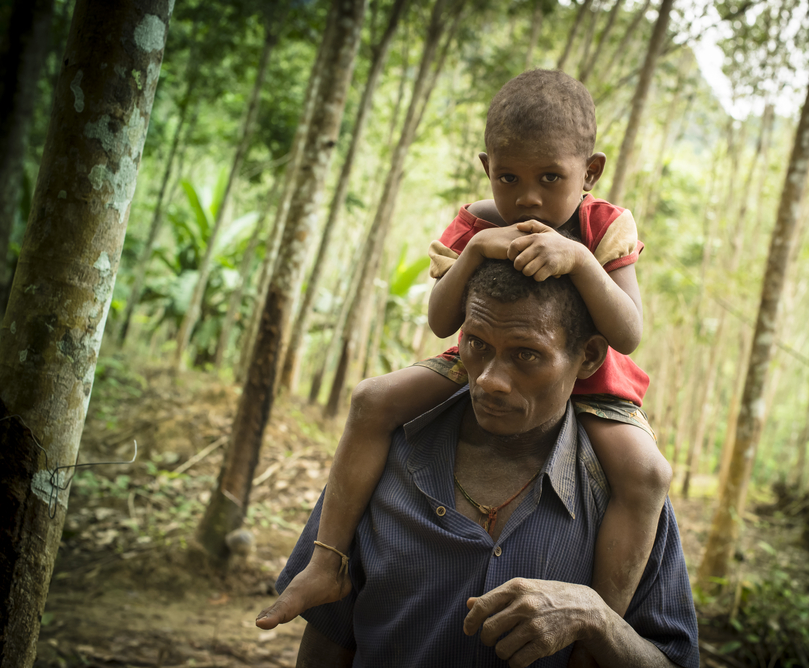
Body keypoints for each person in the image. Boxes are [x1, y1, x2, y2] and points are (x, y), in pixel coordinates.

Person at [257, 68, 671, 631]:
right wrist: (476, 250)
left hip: (596, 384)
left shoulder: (604, 224)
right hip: (475, 360)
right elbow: (439, 320)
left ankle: (599, 625)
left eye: (551, 177)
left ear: (590, 172)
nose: (528, 196)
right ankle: (326, 561)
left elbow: (627, 333)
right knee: (371, 399)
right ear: (486, 168)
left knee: (645, 473)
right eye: (508, 176)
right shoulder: (478, 221)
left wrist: (578, 259)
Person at [259, 260, 699, 667]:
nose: (489, 379)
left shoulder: (626, 493)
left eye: (526, 354)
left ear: (587, 357)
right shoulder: (382, 458)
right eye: (477, 344)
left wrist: (597, 619)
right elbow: (328, 638)